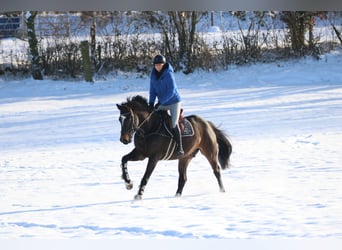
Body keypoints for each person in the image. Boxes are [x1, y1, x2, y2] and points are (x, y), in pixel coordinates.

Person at [149, 54, 184, 157]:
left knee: (173, 123)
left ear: (164, 65)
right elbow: (152, 91)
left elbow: (171, 91)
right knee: (152, 116)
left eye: (160, 64)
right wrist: (151, 102)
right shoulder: (153, 76)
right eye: (156, 65)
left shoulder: (169, 74)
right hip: (163, 103)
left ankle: (180, 147)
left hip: (174, 102)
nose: (158, 66)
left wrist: (161, 102)